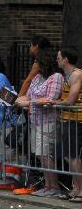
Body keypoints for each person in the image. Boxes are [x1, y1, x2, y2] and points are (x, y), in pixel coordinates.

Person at [17, 48, 66, 198]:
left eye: (37, 61)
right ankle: (47, 185)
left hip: (49, 121)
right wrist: (33, 101)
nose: (34, 64)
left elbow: (50, 99)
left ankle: (54, 186)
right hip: (35, 120)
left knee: (45, 153)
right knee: (39, 154)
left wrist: (30, 102)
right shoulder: (38, 77)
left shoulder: (56, 77)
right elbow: (24, 97)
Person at [54, 46, 82, 201]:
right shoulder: (68, 75)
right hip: (68, 119)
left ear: (65, 59)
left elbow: (71, 99)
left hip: (76, 120)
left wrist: (55, 103)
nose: (57, 60)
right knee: (67, 156)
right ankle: (76, 188)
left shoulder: (77, 74)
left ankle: (81, 190)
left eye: (59, 57)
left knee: (72, 156)